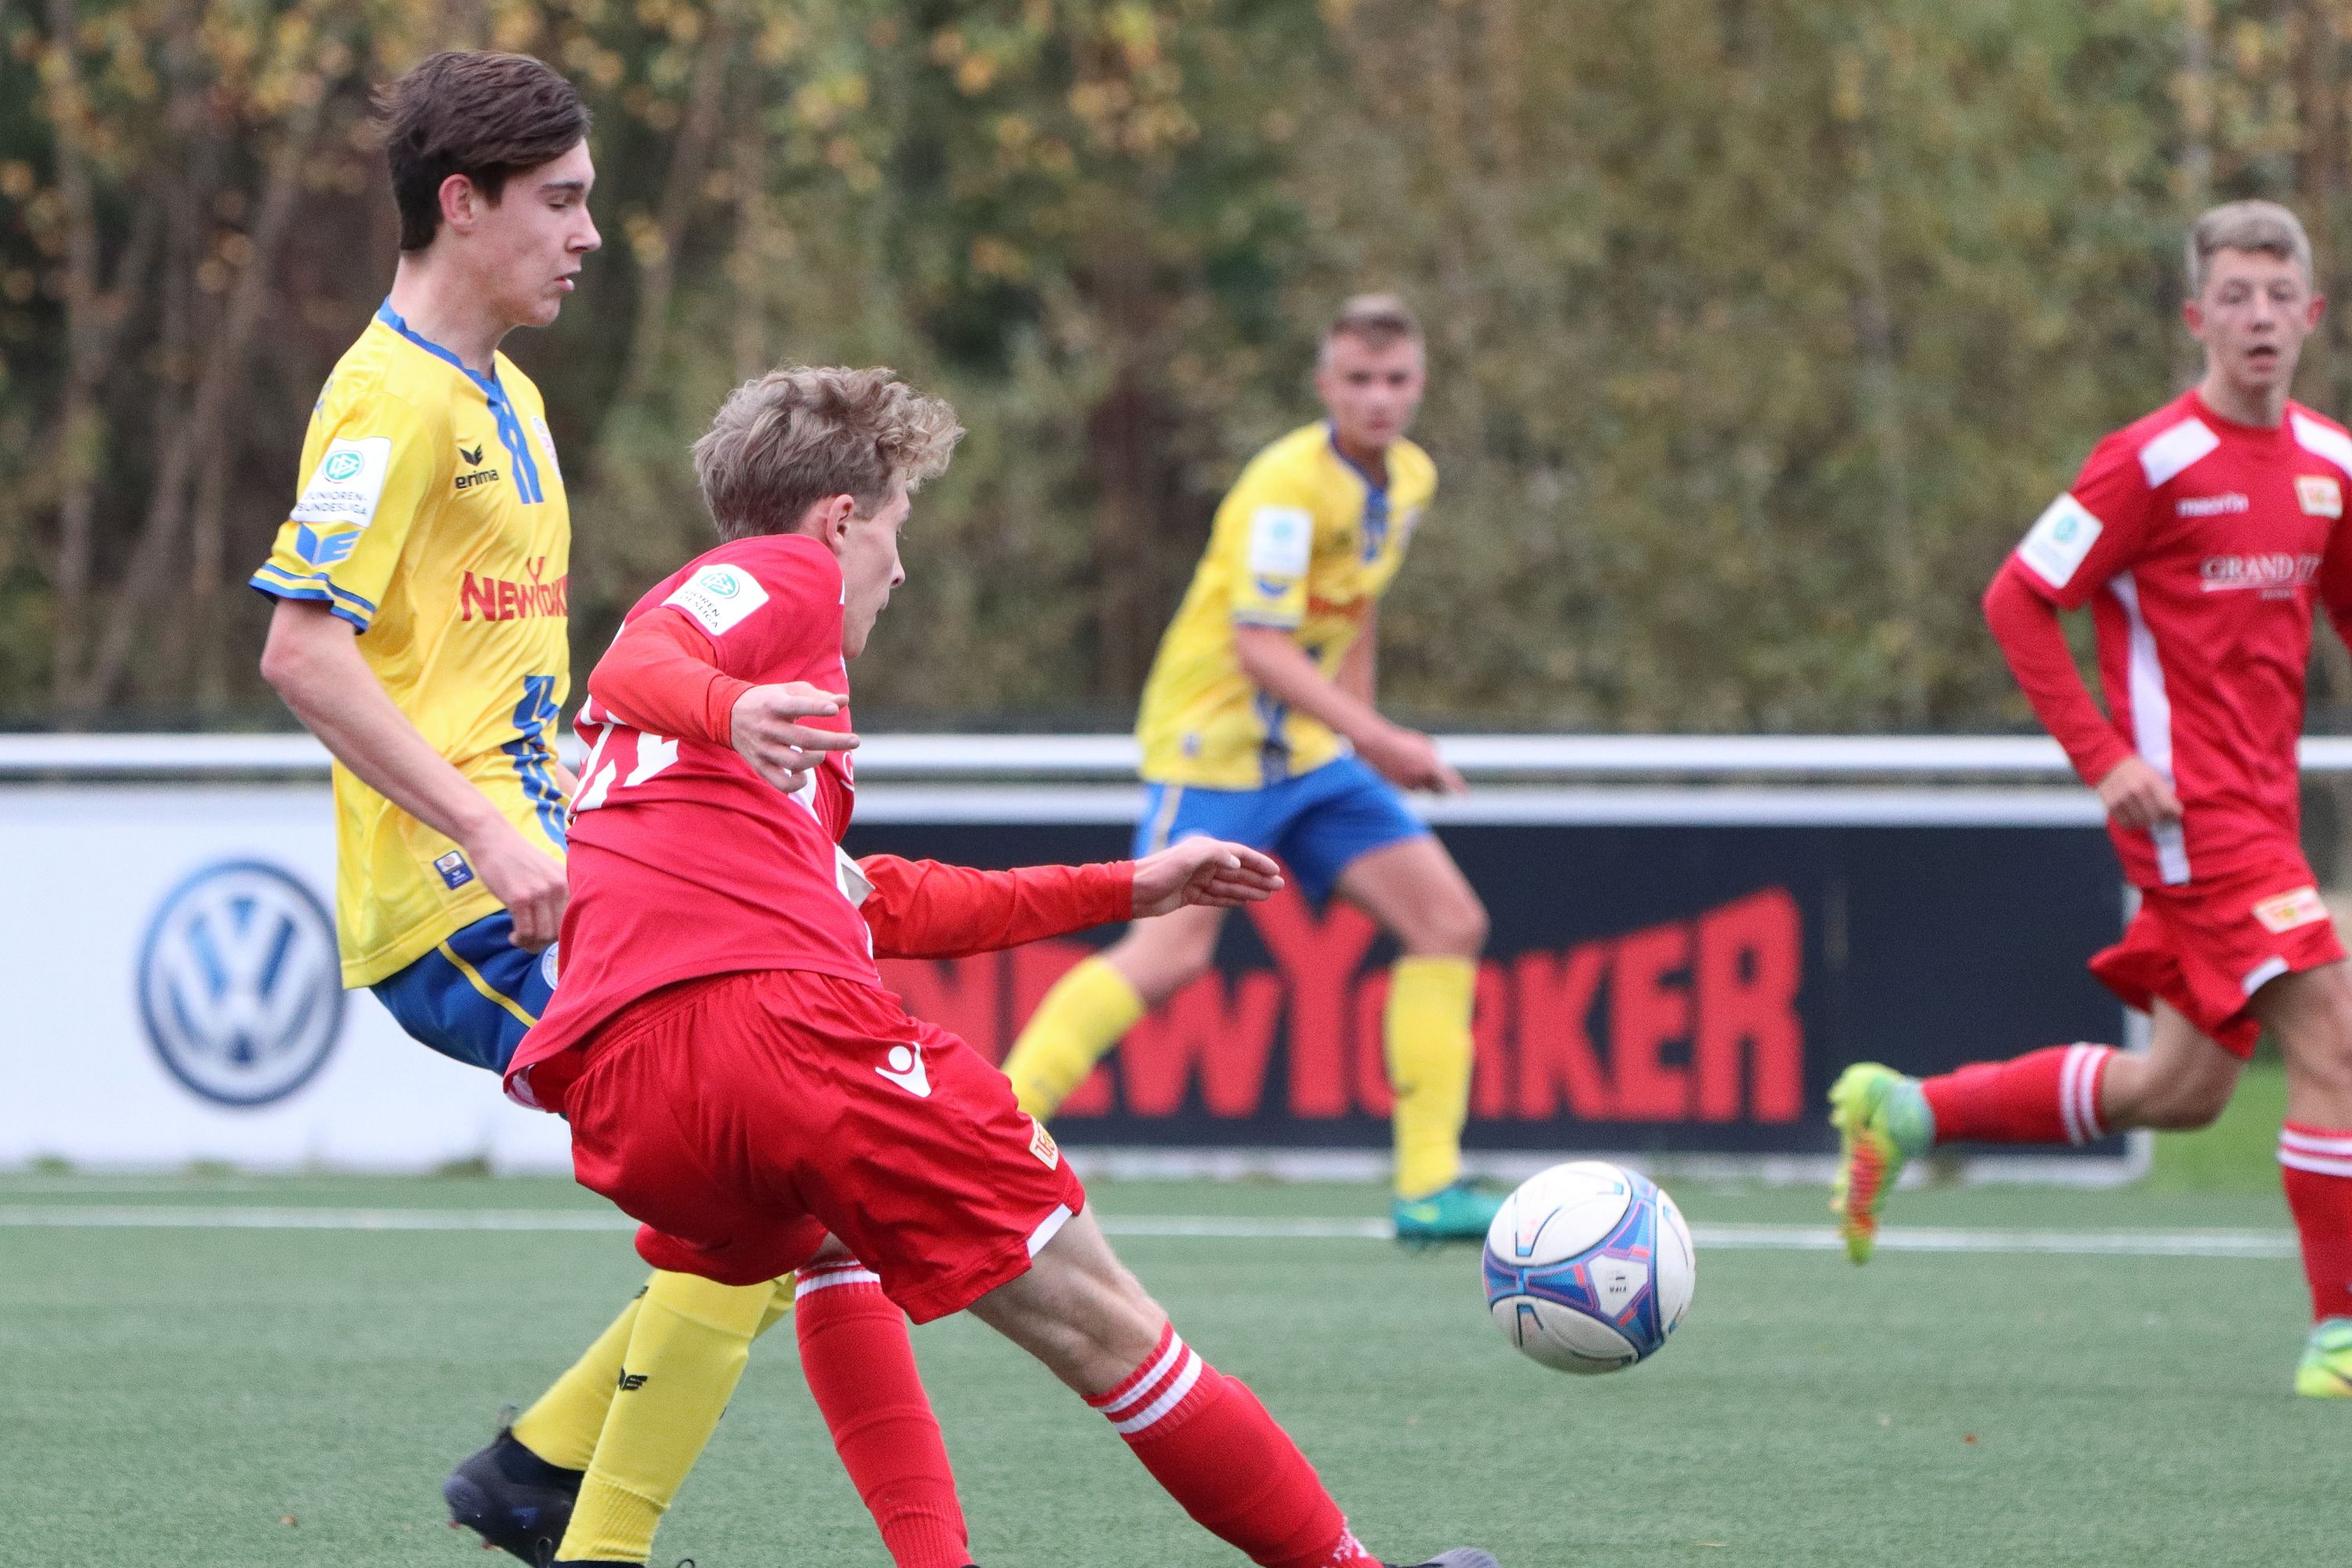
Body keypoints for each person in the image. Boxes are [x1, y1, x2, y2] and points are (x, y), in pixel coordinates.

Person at [503, 363, 1500, 1568]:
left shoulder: (718, 770)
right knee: (1113, 1327)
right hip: (778, 1033)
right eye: (897, 530)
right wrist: (726, 705)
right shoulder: (786, 578)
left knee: (829, 1249)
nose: (899, 569)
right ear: (840, 518)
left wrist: (1128, 886)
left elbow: (881, 901)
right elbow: (634, 658)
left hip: (628, 1089)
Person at [252, 53, 965, 1568]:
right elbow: (302, 650)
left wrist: (619, 810)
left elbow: (506, 683)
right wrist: (502, 834)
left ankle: (540, 1479)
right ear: (465, 203)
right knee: (775, 1187)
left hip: (568, 877)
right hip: (463, 904)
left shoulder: (503, 396)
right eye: (562, 203)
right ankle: (574, 1518)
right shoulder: (386, 406)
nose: (588, 236)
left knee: (779, 1194)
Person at [1828, 200, 2352, 1398]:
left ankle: (1903, 1114)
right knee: (2334, 1031)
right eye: (2235, 296)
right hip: (2188, 820)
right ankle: (2342, 1335)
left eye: (2280, 297)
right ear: (2196, 316)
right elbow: (2019, 598)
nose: (2259, 317)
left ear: (2312, 315)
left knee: (2179, 1091)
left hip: (2262, 818)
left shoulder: (2332, 465)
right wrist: (2106, 759)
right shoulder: (2148, 460)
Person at [999, 295, 1497, 1243]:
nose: (1379, 397)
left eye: (1396, 380)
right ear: (1325, 386)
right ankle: (982, 1132)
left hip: (1312, 757)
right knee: (1172, 954)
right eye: (1359, 379)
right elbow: (1262, 645)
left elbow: (1355, 611)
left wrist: (1360, 739)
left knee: (1449, 920)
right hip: (1215, 749)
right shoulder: (1283, 487)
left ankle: (1429, 1188)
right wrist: (1387, 741)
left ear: (1420, 384)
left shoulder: (1411, 479)